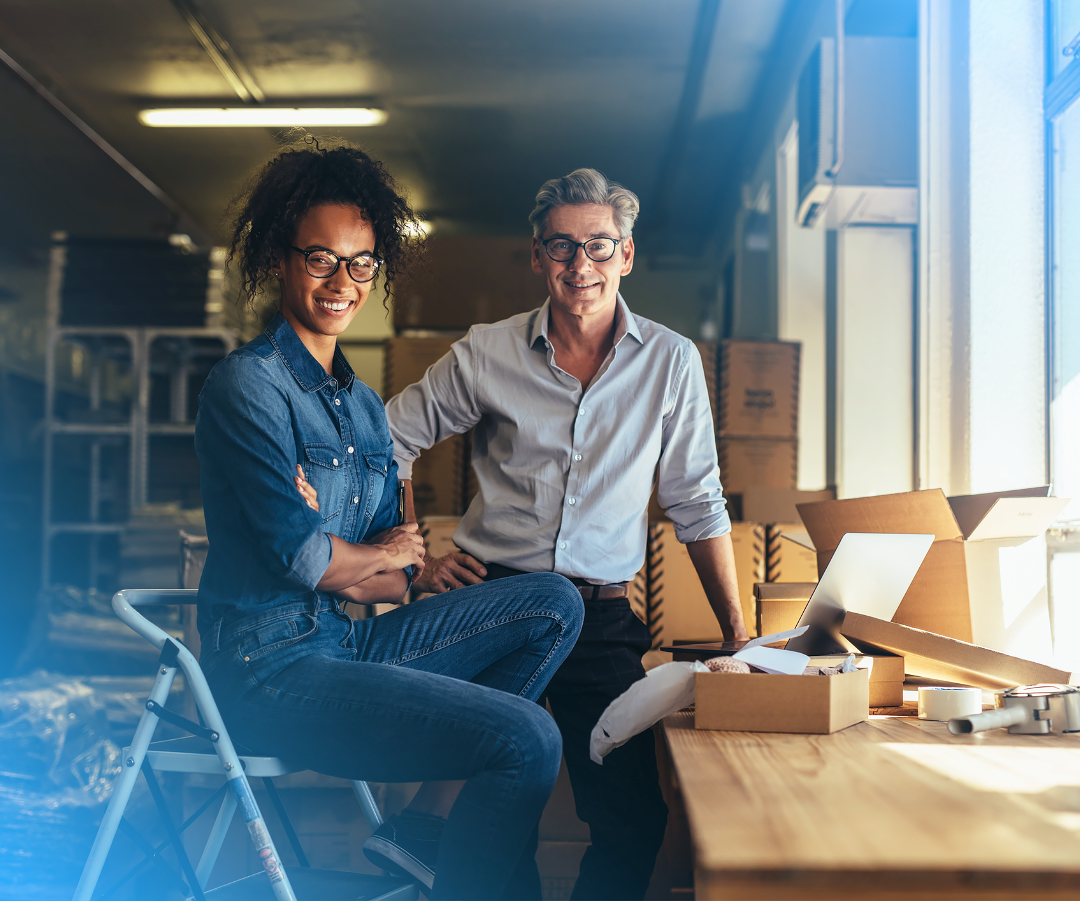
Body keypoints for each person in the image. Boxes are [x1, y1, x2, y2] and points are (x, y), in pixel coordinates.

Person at [194, 139, 584, 901]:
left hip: (347, 643)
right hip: (269, 671)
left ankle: (421, 833)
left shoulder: (365, 407)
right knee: (529, 736)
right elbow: (302, 561)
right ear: (280, 257)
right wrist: (361, 553)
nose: (343, 282)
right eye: (320, 259)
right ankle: (447, 871)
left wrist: (363, 555)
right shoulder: (249, 387)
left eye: (362, 262)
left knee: (553, 601)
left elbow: (394, 582)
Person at [384, 168, 747, 900]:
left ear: (627, 254)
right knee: (499, 818)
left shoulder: (670, 362)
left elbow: (697, 501)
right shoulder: (487, 352)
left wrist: (738, 633)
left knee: (633, 815)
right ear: (536, 256)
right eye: (561, 247)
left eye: (598, 245)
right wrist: (412, 555)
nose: (580, 265)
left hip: (601, 614)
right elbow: (389, 436)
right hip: (495, 604)